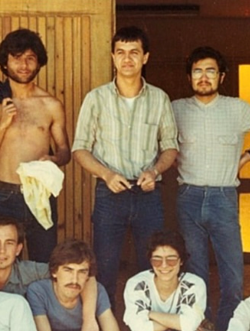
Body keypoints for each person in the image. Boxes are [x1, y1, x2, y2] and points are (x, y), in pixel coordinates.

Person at [172, 46, 250, 331]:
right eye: (197, 71)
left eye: (210, 70)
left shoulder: (237, 108)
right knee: (195, 273)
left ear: (221, 76)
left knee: (232, 274)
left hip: (224, 197)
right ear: (189, 76)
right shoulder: (175, 109)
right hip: (188, 196)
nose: (203, 77)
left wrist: (246, 158)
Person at [72, 26, 178, 309]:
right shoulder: (96, 99)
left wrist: (154, 172)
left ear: (145, 57)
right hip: (110, 194)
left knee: (151, 267)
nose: (127, 59)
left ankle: (147, 329)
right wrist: (106, 174)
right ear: (113, 57)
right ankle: (106, 328)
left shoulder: (159, 98)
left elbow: (170, 147)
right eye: (120, 52)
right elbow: (80, 148)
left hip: (148, 194)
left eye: (134, 52)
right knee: (105, 268)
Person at [0, 28, 70, 262]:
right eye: (17, 58)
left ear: (39, 63)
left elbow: (64, 151)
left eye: (30, 58)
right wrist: (2, 125)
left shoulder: (51, 105)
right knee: (2, 264)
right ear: (5, 63)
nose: (24, 65)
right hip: (6, 195)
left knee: (44, 264)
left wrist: (54, 159)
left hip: (41, 193)